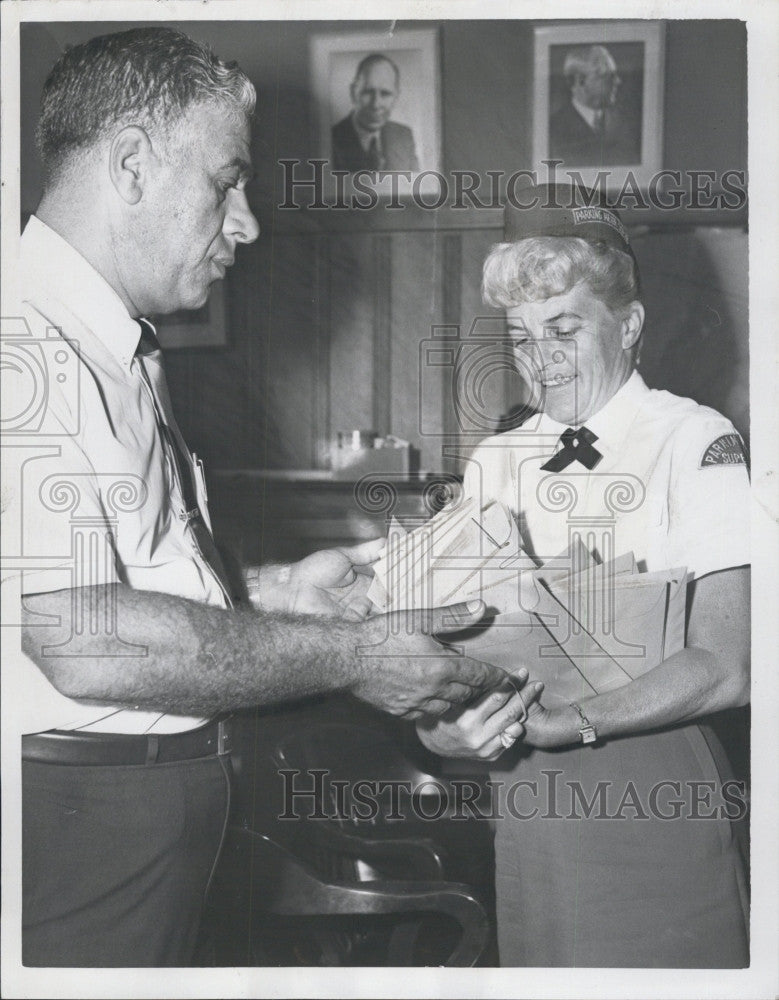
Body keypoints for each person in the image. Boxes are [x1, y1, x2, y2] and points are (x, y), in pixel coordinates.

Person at [6, 27, 515, 968]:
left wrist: (272, 591)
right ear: (130, 165)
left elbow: (124, 570)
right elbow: (83, 638)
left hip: (141, 813)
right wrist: (350, 655)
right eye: (225, 182)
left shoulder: (112, 344)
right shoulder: (21, 347)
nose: (246, 221)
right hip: (79, 825)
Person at [416, 184, 750, 967]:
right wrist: (445, 727)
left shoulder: (695, 441)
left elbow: (730, 666)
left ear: (628, 325)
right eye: (522, 336)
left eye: (563, 328)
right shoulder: (496, 459)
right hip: (527, 794)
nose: (541, 360)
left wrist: (576, 722)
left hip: (652, 787)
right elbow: (452, 654)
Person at [549, 45, 640, 166]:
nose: (618, 81)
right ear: (580, 80)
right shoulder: (552, 130)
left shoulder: (627, 124)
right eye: (608, 76)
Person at [331, 53, 419, 173]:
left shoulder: (403, 136)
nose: (376, 104)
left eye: (385, 93)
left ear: (396, 97)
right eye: (367, 92)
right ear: (353, 93)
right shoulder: (331, 139)